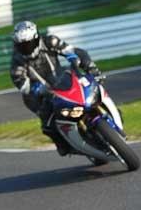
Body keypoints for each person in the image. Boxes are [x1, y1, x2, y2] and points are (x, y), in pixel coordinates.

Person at [10, 20, 102, 156]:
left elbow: (71, 51)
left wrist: (80, 62)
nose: (27, 48)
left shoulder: (50, 42)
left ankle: (106, 111)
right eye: (22, 45)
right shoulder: (17, 61)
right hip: (39, 96)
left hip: (61, 81)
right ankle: (63, 144)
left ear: (37, 38)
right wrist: (35, 89)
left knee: (90, 86)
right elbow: (21, 83)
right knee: (48, 124)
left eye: (29, 44)